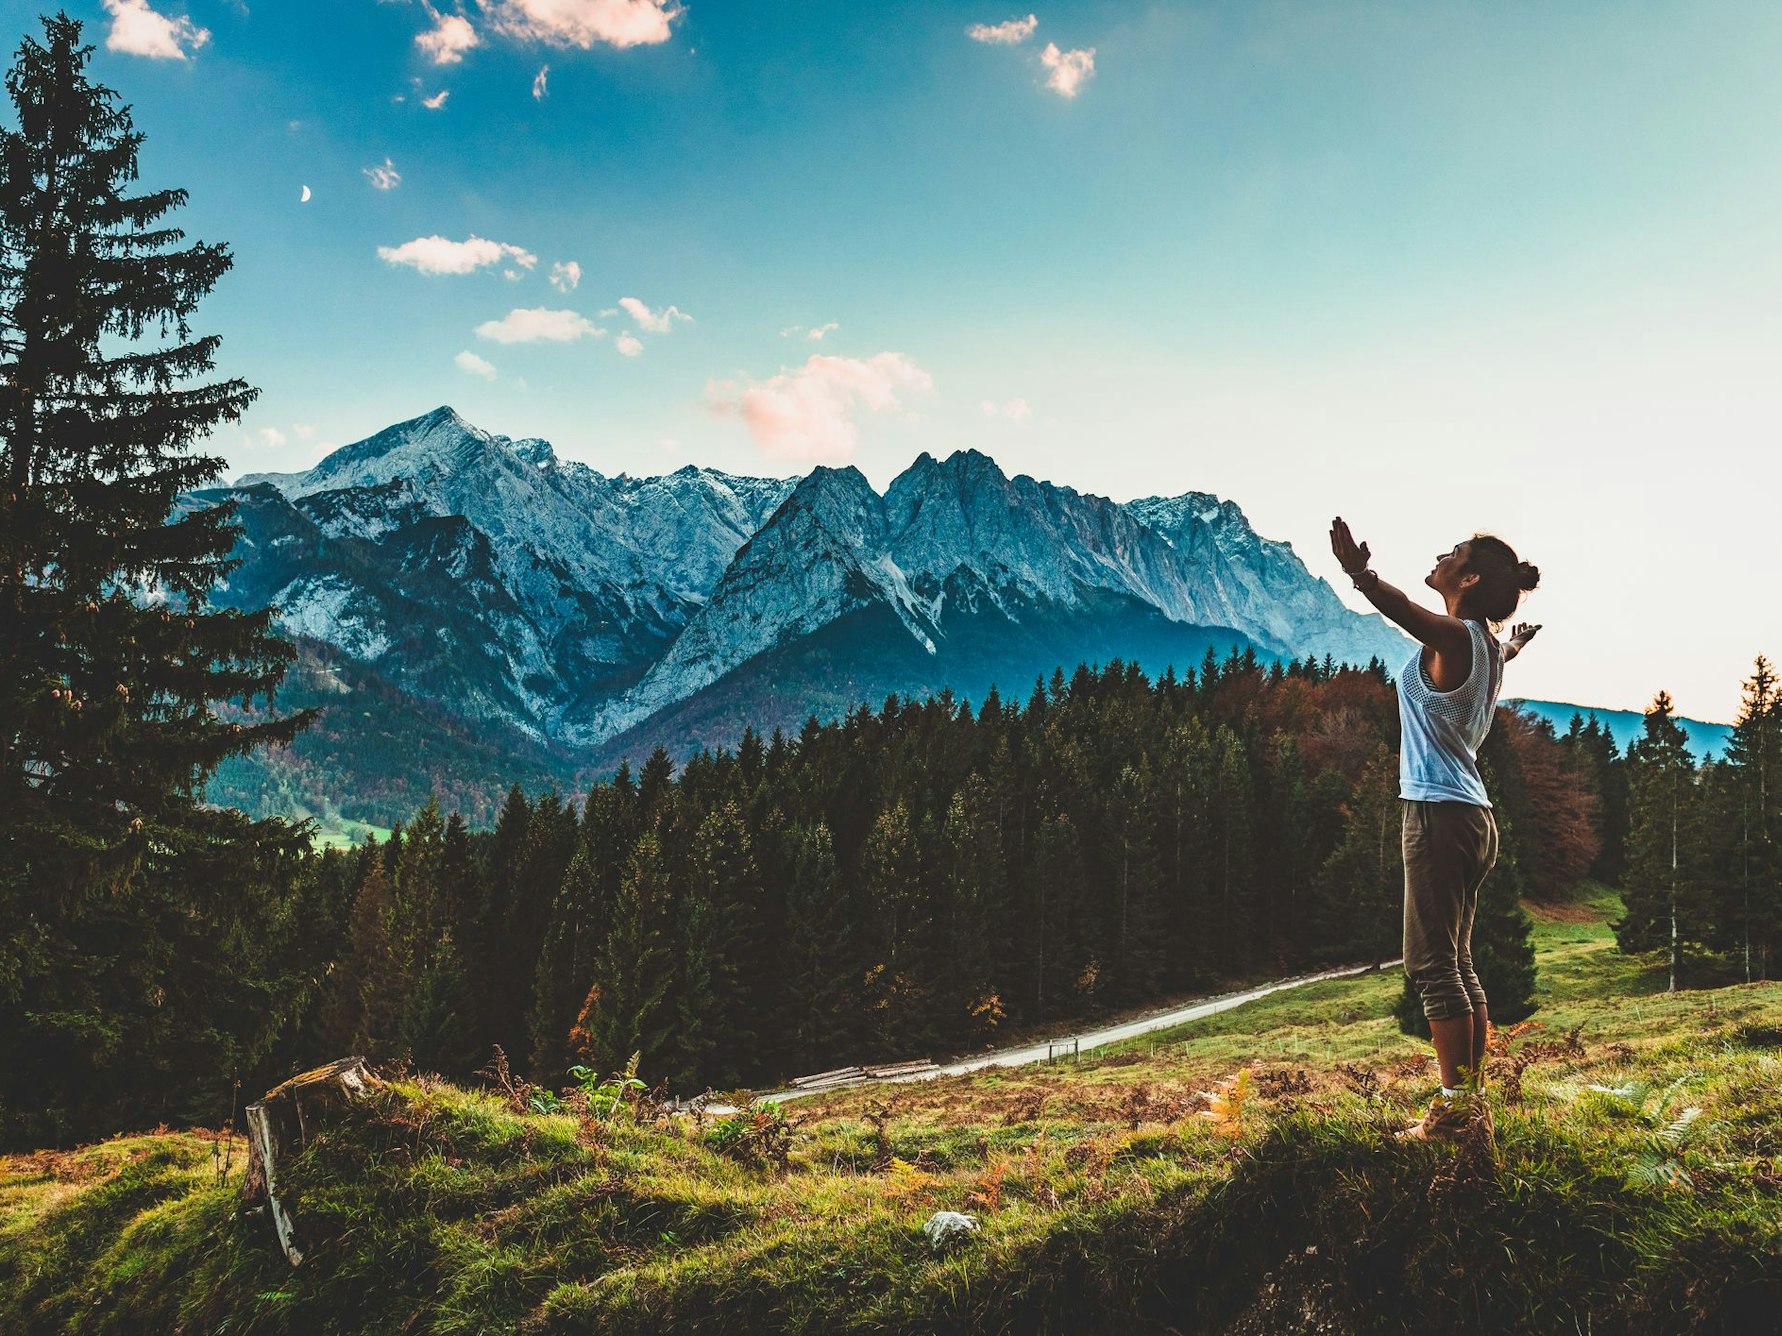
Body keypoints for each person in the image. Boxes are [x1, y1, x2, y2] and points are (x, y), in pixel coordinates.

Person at [1329, 518, 1541, 1143]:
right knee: (1457, 961)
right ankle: (1469, 1107)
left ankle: (1453, 1116)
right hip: (1472, 817)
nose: (1440, 555)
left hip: (1439, 816)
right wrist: (1518, 643)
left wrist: (1359, 574)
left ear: (1468, 579)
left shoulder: (1453, 636)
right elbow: (1499, 652)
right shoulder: (1485, 647)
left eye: (1453, 554)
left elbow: (1402, 611)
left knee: (1430, 965)